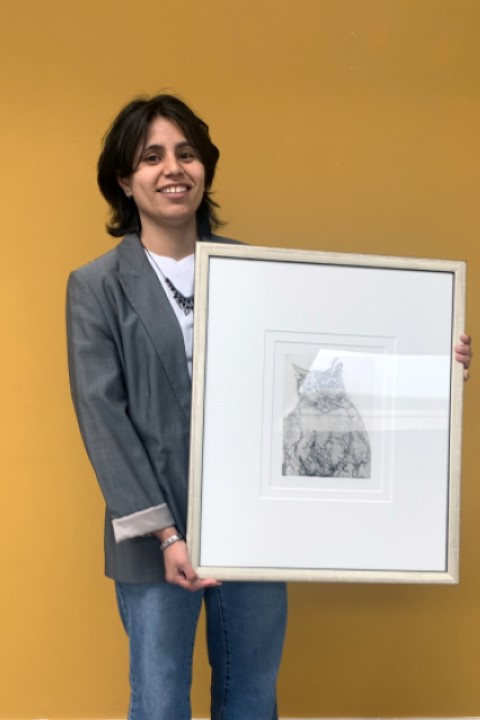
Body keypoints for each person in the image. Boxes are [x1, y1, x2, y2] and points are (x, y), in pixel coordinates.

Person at [67, 93, 472, 720]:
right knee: (160, 701)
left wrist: (432, 362)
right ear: (125, 179)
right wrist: (167, 533)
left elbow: (330, 366)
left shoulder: (252, 270)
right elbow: (103, 421)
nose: (173, 168)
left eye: (186, 154)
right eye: (152, 157)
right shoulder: (96, 287)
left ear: (204, 168)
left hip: (252, 521)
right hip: (152, 536)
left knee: (252, 696)